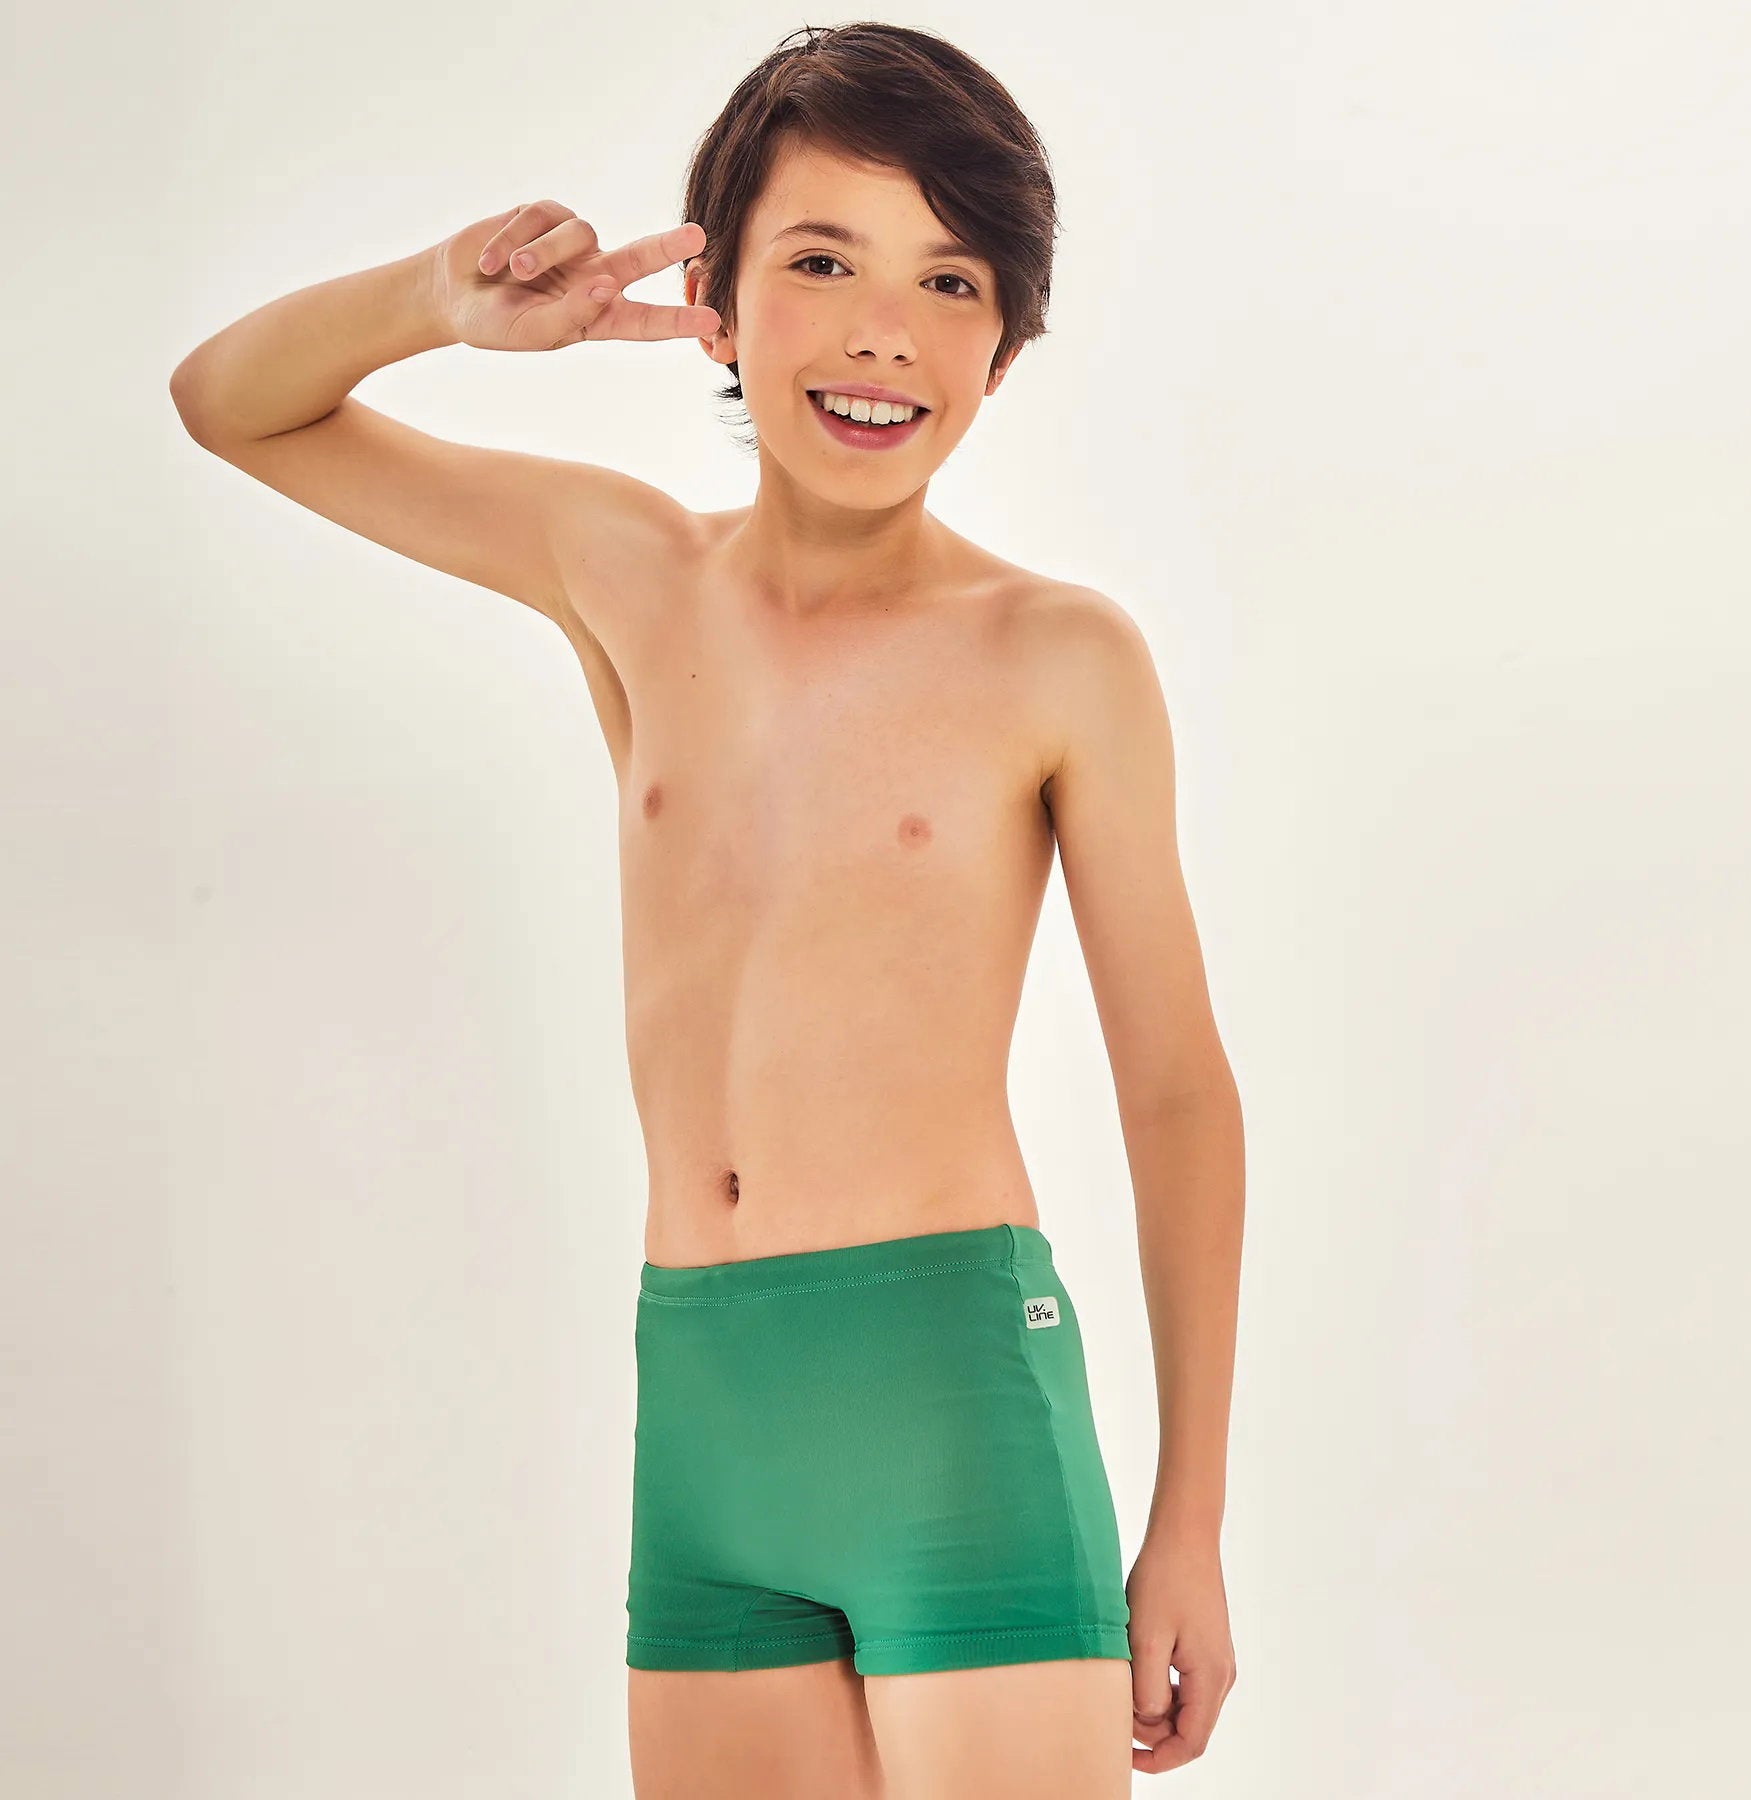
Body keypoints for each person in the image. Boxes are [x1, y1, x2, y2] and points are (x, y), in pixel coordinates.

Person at [169, 21, 1244, 1797]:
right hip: (704, 1408)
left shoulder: (1056, 656)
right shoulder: (626, 569)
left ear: (1004, 349)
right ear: (714, 302)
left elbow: (1179, 1091)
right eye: (820, 261)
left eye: (949, 281)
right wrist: (438, 301)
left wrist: (1187, 1521)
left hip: (951, 1399)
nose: (883, 330)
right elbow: (231, 401)